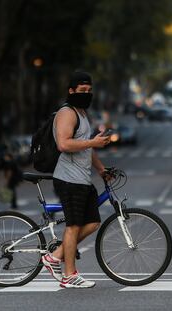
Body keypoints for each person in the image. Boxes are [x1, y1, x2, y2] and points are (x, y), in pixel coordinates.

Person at [42, 71, 111, 289]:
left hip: (82, 179)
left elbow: (86, 147)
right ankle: (69, 275)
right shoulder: (67, 113)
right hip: (68, 179)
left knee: (93, 223)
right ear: (71, 91)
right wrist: (92, 143)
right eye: (82, 91)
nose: (87, 94)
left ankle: (55, 256)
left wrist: (101, 169)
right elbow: (64, 144)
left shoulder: (82, 114)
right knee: (73, 226)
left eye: (89, 91)